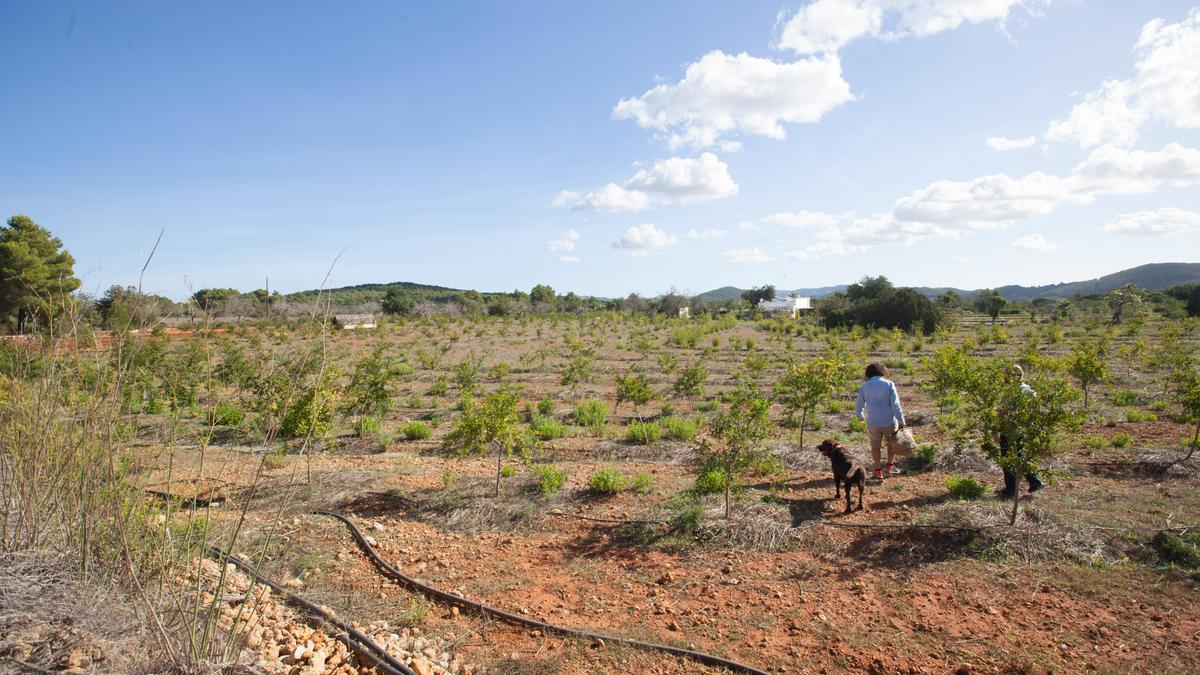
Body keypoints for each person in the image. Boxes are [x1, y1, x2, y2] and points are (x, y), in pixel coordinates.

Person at [997, 364, 1045, 496]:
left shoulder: (1011, 392)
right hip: (1023, 428)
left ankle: (1013, 488)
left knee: (1008, 458)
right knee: (1018, 455)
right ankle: (1030, 482)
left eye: (1007, 374)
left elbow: (1003, 412)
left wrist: (998, 429)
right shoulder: (1030, 391)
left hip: (1010, 429)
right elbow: (1035, 411)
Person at [855, 362, 906, 480]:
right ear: (883, 371)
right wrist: (901, 420)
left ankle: (878, 471)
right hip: (889, 421)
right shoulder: (889, 384)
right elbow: (895, 405)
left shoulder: (865, 386)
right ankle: (889, 466)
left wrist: (860, 416)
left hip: (873, 422)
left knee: (875, 446)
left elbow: (859, 404)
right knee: (891, 443)